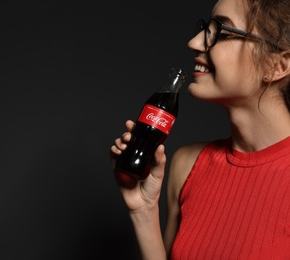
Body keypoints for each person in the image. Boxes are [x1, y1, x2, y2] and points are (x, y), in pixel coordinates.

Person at [110, 0, 290, 259]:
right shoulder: (188, 165)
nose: (194, 43)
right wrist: (143, 211)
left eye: (223, 32)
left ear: (277, 66)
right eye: (206, 28)